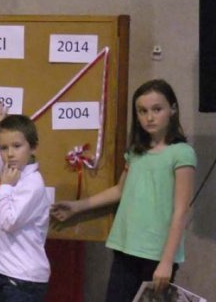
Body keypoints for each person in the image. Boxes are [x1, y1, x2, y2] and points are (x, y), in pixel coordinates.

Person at [51, 79, 196, 302]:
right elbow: (120, 190)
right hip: (126, 248)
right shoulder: (136, 152)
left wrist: (166, 261)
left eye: (157, 109)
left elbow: (181, 210)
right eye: (142, 111)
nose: (149, 117)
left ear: (173, 109)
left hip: (157, 254)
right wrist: (77, 207)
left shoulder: (181, 153)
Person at [0, 106, 51, 302]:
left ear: (33, 147)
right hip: (7, 272)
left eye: (17, 146)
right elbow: (0, 160)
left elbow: (9, 222)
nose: (10, 154)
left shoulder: (32, 184)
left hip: (22, 278)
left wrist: (4, 187)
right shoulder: (12, 172)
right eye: (4, 148)